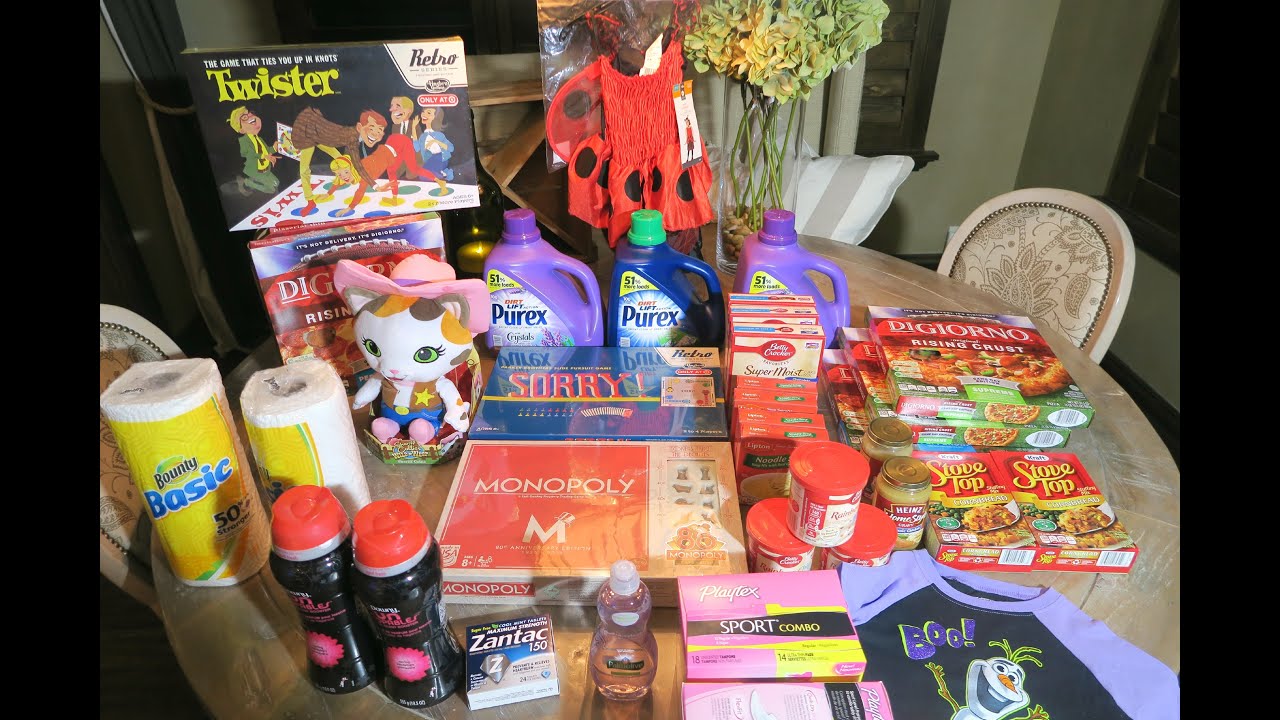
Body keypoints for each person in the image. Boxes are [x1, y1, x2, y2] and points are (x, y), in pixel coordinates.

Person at [289, 107, 380, 215]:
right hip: (307, 139)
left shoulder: (337, 132)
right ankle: (310, 201)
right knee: (304, 170)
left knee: (340, 159)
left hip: (319, 135)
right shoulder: (307, 128)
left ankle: (350, 176)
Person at [228, 106, 279, 195]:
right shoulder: (244, 141)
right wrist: (264, 156)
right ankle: (247, 182)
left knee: (277, 183)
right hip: (256, 170)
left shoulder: (259, 139)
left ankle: (254, 180)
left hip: (266, 169)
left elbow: (267, 150)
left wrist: (274, 148)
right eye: (245, 117)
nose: (251, 117)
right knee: (271, 190)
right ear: (241, 130)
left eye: (250, 113)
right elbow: (249, 154)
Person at [413, 106, 455, 181]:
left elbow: (451, 148)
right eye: (423, 112)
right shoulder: (423, 136)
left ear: (435, 117)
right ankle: (443, 173)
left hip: (440, 158)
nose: (424, 114)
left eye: (428, 113)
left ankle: (445, 172)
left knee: (429, 176)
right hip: (429, 159)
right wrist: (413, 127)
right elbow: (417, 148)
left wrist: (435, 141)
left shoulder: (439, 135)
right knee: (422, 176)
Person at [387, 97, 419, 179]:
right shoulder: (394, 126)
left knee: (411, 176)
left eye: (398, 106)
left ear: (409, 110)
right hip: (399, 158)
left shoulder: (415, 125)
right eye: (392, 106)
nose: (392, 109)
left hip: (412, 158)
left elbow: (418, 147)